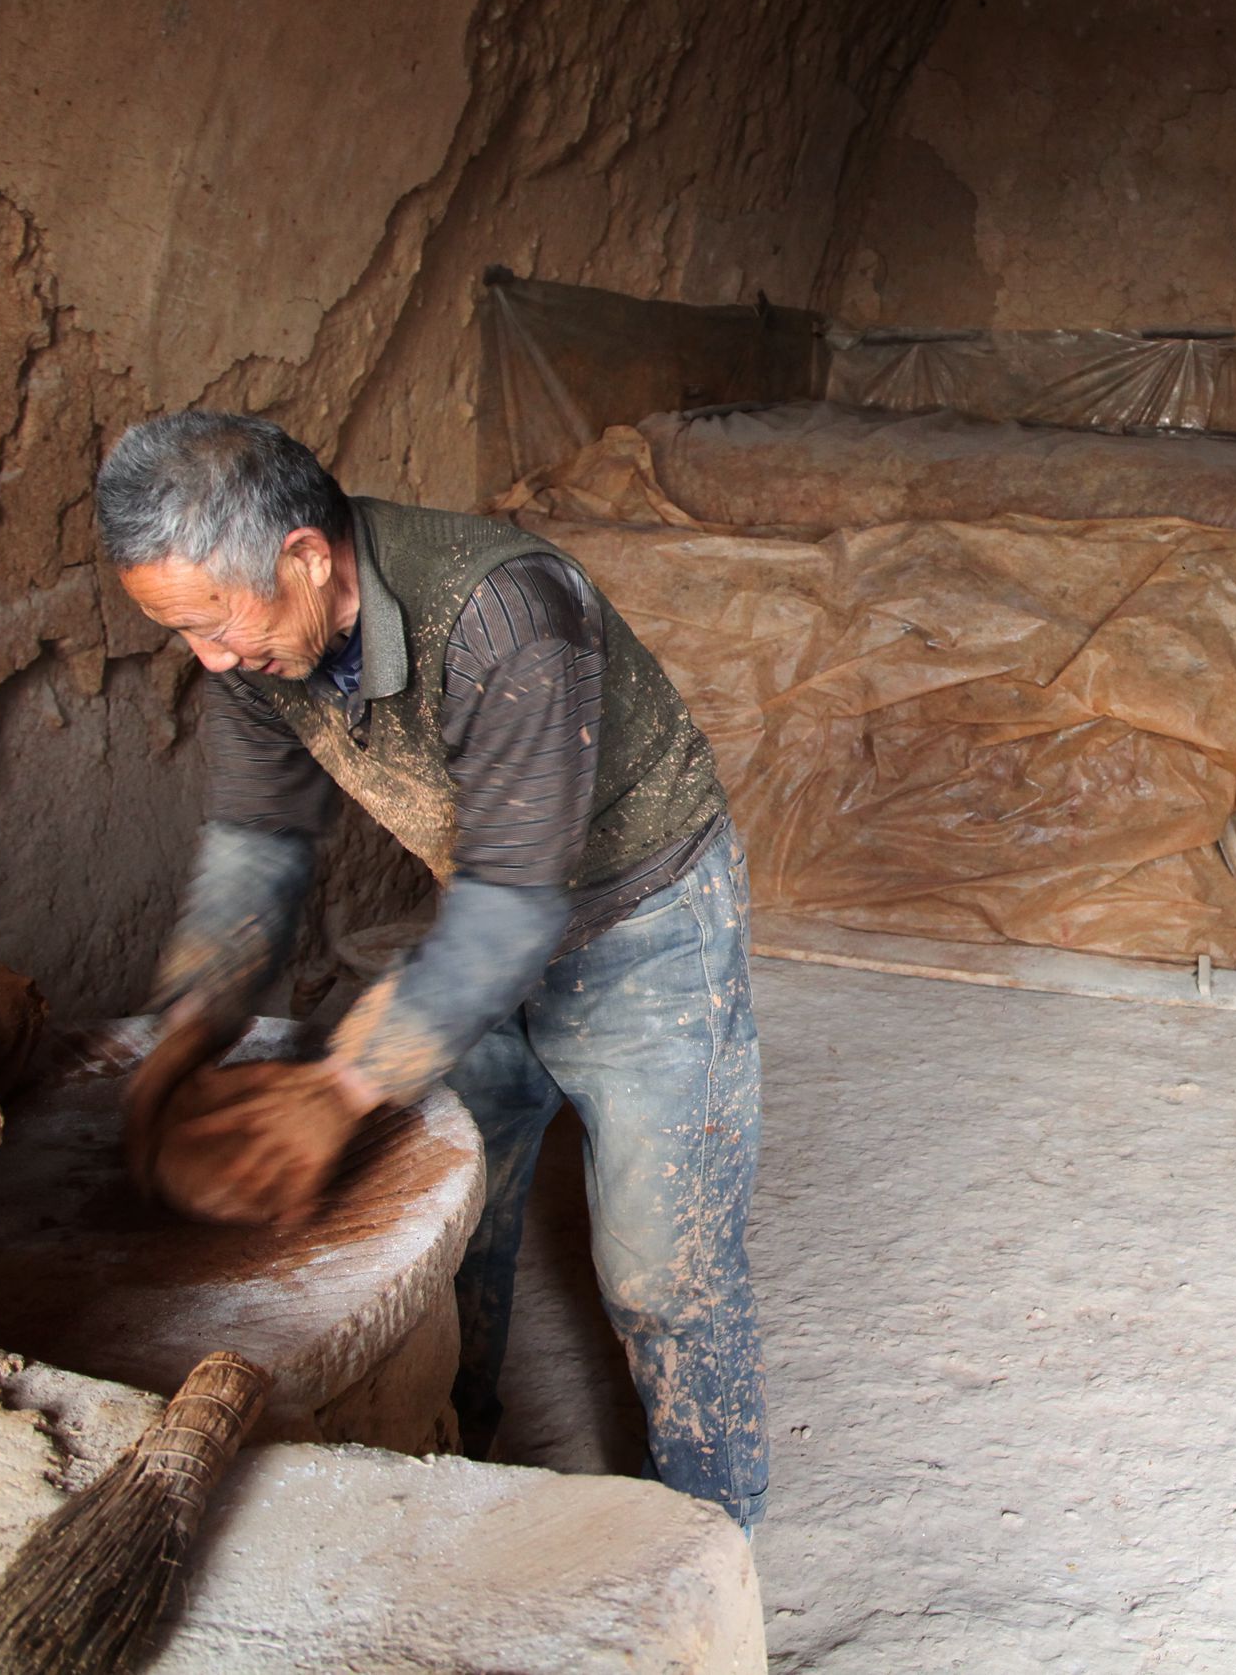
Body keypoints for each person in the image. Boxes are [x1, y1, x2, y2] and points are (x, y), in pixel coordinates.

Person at [93, 409, 766, 1530]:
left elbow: (516, 905)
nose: (209, 657)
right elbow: (260, 843)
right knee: (451, 1212)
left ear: (306, 556)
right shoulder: (259, 645)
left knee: (662, 1270)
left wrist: (337, 1088)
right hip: (485, 905)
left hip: (645, 919)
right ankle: (453, 1454)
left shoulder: (510, 612)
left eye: (214, 621)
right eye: (182, 630)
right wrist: (186, 1038)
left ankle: (710, 1533)